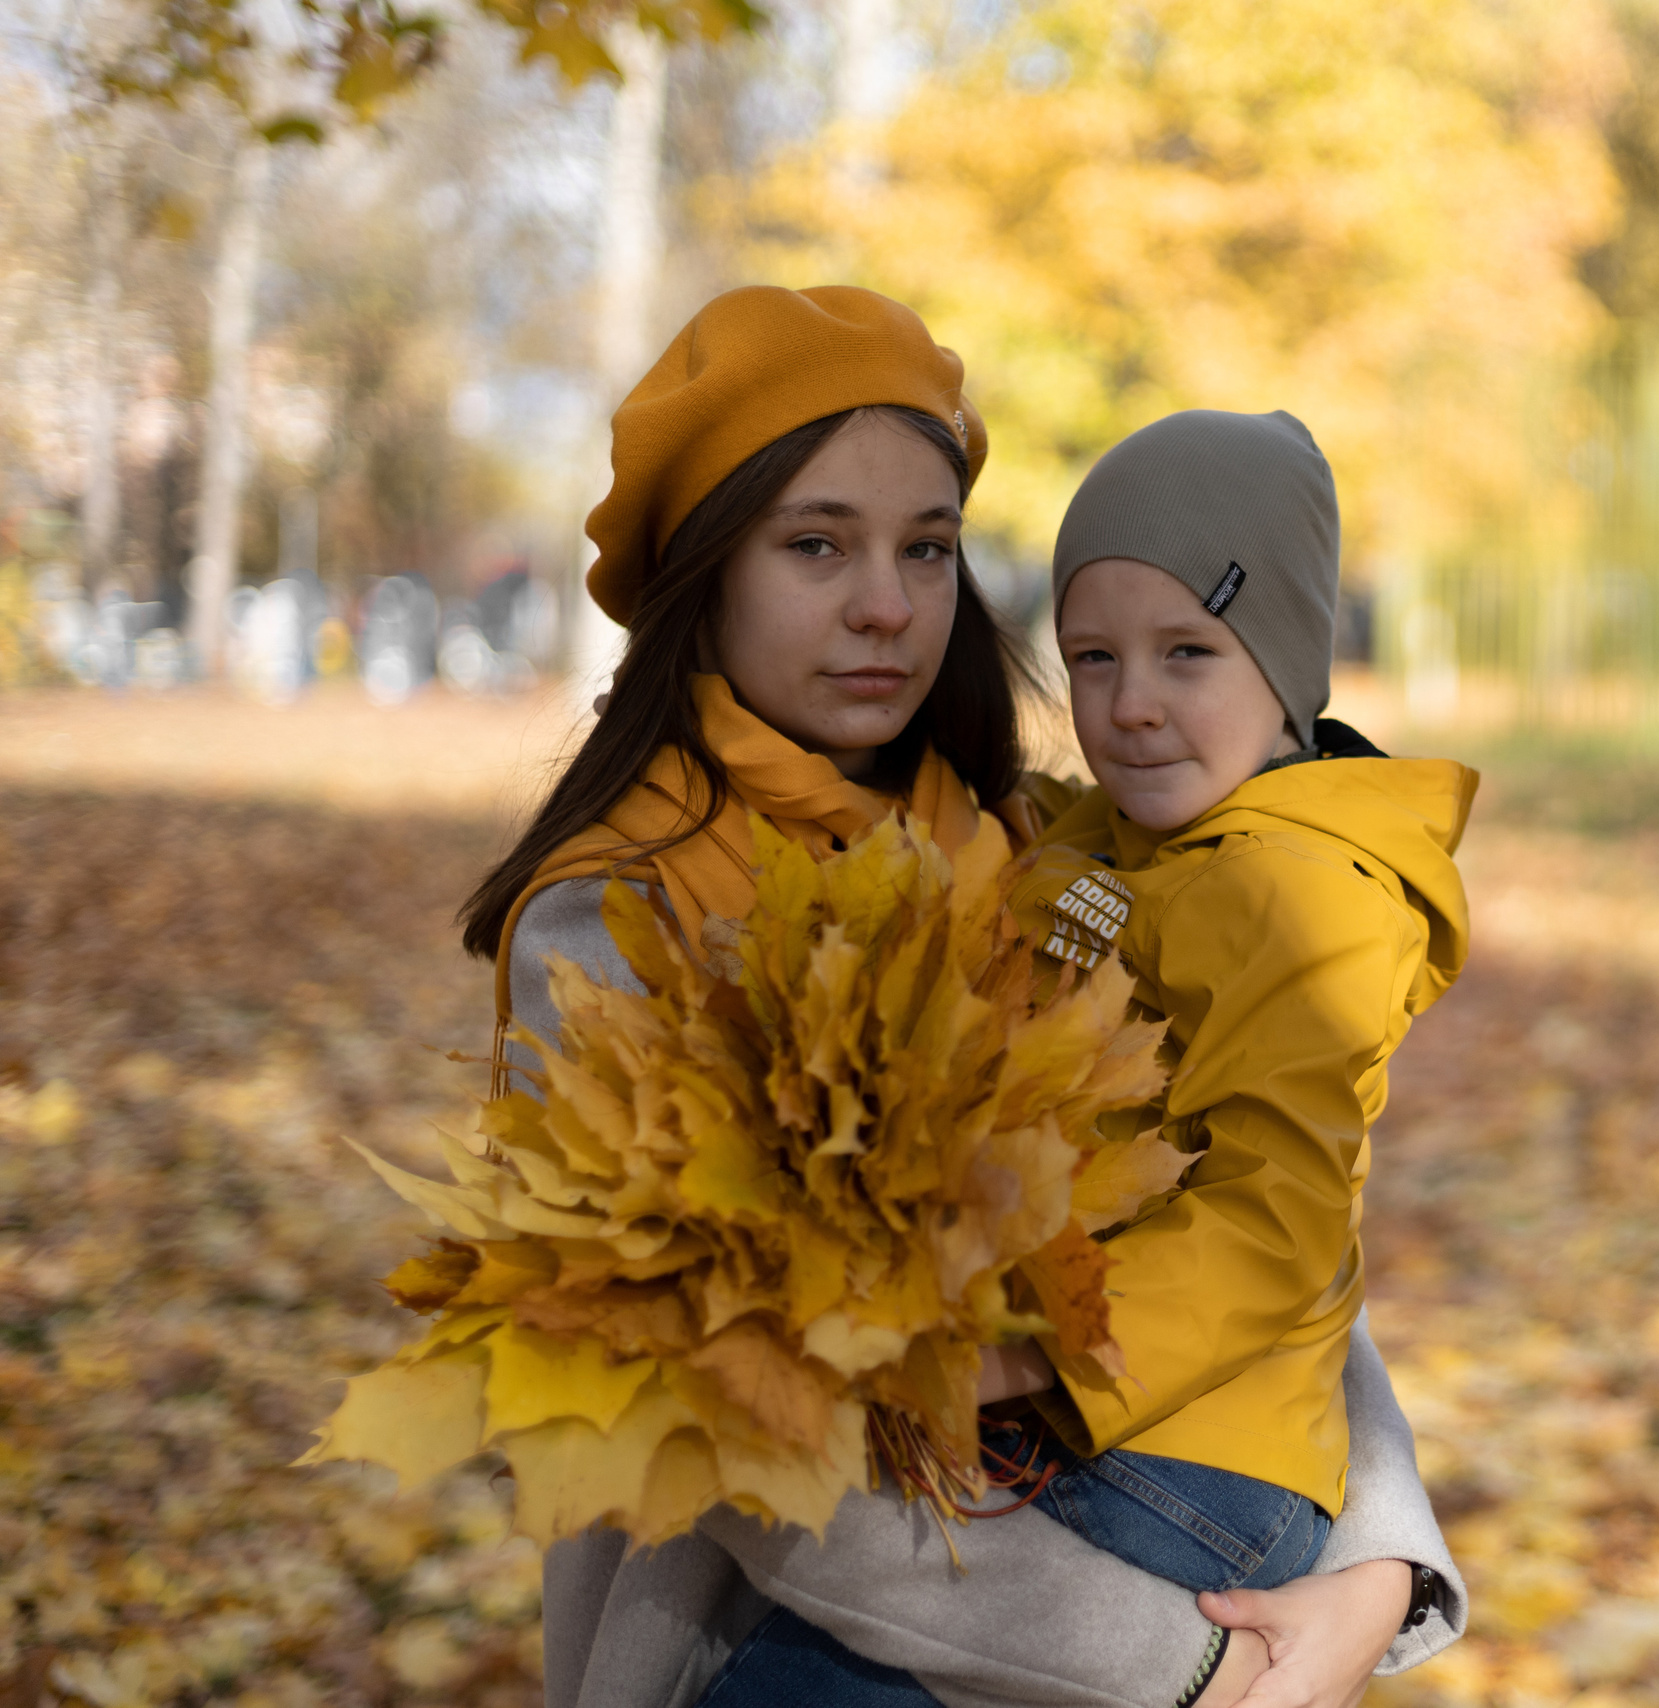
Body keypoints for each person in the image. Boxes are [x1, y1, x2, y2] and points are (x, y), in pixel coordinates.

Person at [455, 285, 1465, 1708]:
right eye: (817, 545)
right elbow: (723, 1427)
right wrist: (1186, 1664)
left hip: (1143, 1551)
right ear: (706, 571)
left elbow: (1258, 1205)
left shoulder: (1030, 850)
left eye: (927, 549)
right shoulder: (620, 922)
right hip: (794, 1642)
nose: (887, 605)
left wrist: (1376, 1564)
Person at [701, 409, 1474, 1704]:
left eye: (1188, 653)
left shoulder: (1301, 901)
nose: (1129, 706)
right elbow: (1025, 856)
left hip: (1174, 1461)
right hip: (1127, 1428)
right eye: (1092, 658)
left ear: (1289, 665)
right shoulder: (1113, 844)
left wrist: (1031, 1360)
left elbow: (1276, 1226)